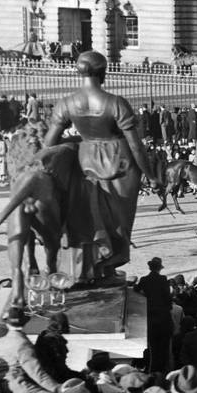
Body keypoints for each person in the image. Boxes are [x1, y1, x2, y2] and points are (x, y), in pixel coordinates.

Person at [43, 50, 158, 282]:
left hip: (85, 162)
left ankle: (90, 269)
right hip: (120, 165)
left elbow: (49, 144)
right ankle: (108, 267)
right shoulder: (115, 103)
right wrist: (151, 175)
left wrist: (76, 143)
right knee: (118, 222)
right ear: (103, 73)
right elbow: (136, 147)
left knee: (87, 219)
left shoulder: (66, 103)